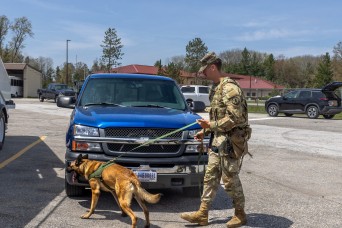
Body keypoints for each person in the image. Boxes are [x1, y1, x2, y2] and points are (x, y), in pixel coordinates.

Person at [180, 52, 251, 227]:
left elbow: (237, 118)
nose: (203, 74)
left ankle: (240, 214)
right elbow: (219, 116)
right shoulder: (216, 87)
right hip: (217, 141)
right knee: (210, 177)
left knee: (229, 180)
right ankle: (202, 214)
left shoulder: (229, 88)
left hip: (230, 142)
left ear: (213, 67)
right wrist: (205, 132)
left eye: (204, 70)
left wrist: (210, 126)